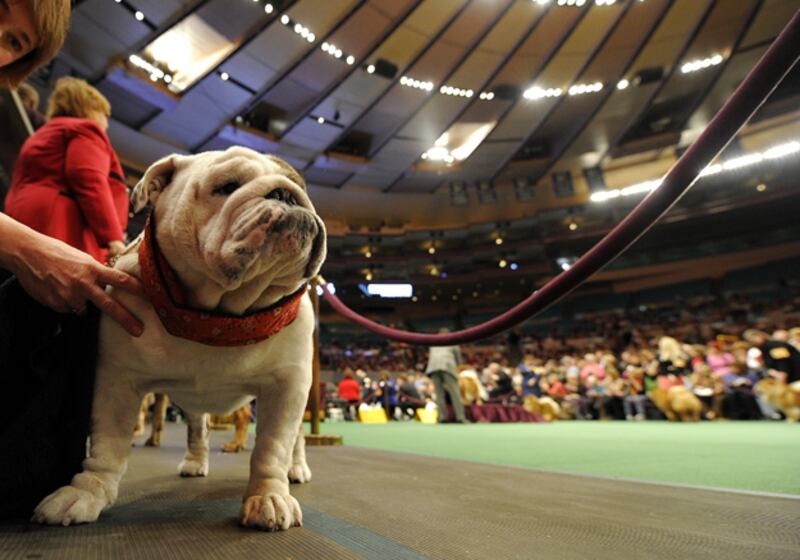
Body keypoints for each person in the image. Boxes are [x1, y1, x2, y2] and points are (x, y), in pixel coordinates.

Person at [5, 77, 128, 263]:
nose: (106, 124)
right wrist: (113, 238)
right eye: (104, 114)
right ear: (90, 108)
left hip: (18, 217)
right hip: (59, 225)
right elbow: (88, 177)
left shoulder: (46, 132)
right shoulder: (86, 129)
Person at [425, 329, 467, 423]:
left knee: (439, 394)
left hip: (433, 367)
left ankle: (441, 417)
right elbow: (458, 359)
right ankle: (460, 417)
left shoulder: (433, 343)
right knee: (455, 393)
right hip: (447, 366)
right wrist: (458, 369)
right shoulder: (452, 341)